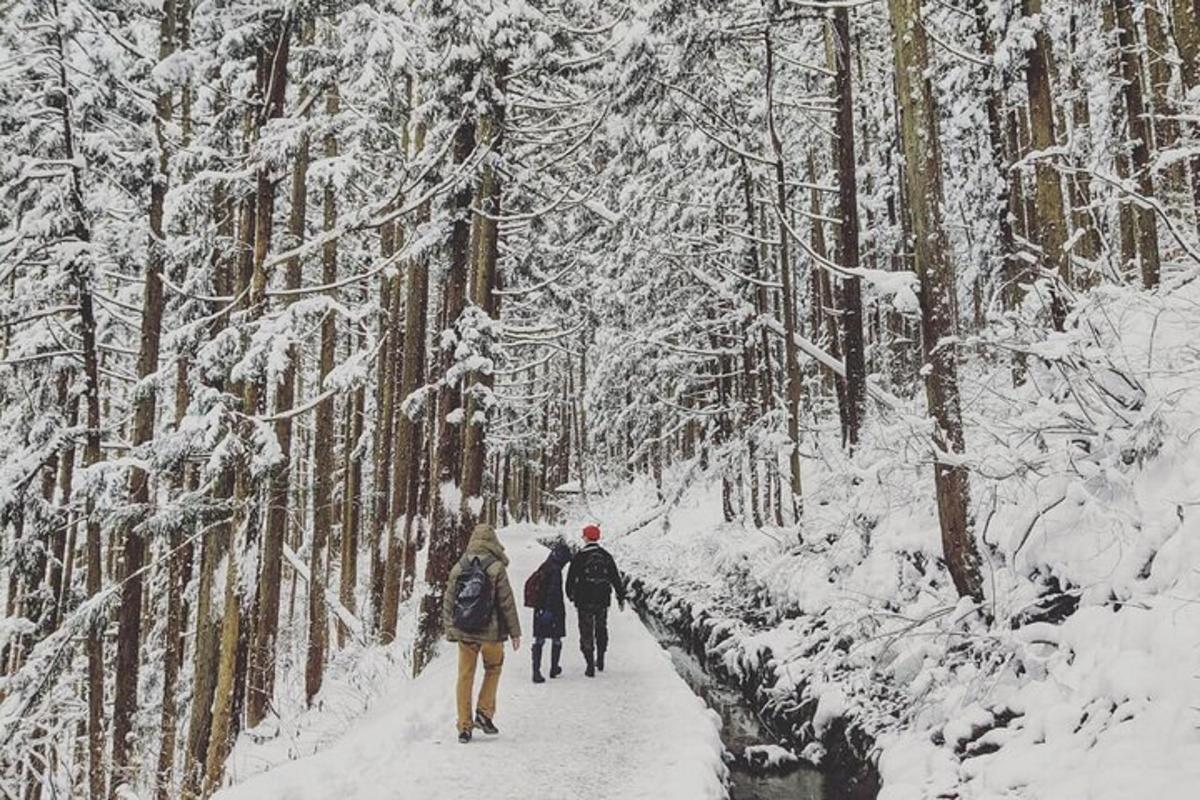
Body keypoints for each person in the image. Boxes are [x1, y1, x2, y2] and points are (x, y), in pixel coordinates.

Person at [441, 522, 522, 744]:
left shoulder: (460, 567)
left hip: (465, 631)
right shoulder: (496, 567)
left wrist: (450, 629)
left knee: (465, 676)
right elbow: (506, 602)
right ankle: (484, 713)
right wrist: (515, 632)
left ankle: (464, 726)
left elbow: (449, 599)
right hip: (490, 633)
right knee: (493, 669)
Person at [565, 524, 626, 677]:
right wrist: (620, 596)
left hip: (584, 599)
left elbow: (570, 579)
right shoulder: (606, 556)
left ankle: (589, 664)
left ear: (586, 537)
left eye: (583, 535)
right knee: (601, 628)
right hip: (602, 599)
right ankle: (601, 658)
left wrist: (570, 595)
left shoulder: (579, 556)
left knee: (586, 631)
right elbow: (615, 578)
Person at [529, 541, 572, 683]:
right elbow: (554, 592)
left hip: (539, 607)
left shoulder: (545, 565)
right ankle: (554, 668)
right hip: (554, 609)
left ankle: (536, 670)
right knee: (556, 639)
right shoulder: (556, 571)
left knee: (539, 639)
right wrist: (550, 609)